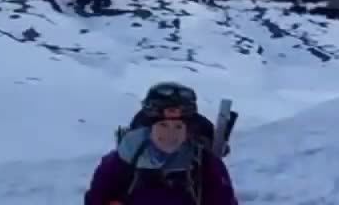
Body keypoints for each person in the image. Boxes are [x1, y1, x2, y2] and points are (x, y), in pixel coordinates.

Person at [84, 82, 239, 205]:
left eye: (178, 127)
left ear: (188, 131)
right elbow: (96, 198)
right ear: (149, 129)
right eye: (163, 126)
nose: (170, 134)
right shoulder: (121, 160)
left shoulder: (205, 163)